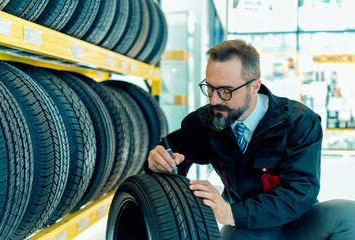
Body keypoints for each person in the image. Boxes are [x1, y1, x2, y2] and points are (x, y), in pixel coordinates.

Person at [145, 39, 355, 239]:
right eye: (209, 87)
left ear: (254, 86)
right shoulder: (205, 121)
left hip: (299, 222)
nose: (214, 99)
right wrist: (159, 162)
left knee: (350, 216)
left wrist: (230, 214)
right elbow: (172, 156)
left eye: (226, 91)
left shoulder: (300, 122)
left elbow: (299, 193)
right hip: (248, 227)